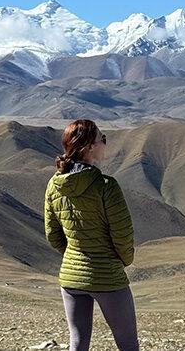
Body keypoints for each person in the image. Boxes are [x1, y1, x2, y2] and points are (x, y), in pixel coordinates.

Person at [44, 119, 139, 351]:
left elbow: (53, 235)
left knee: (77, 342)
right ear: (89, 147)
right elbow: (123, 236)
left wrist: (75, 256)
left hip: (70, 277)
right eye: (102, 139)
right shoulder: (106, 186)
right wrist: (122, 261)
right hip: (107, 277)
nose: (105, 144)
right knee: (128, 344)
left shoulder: (54, 185)